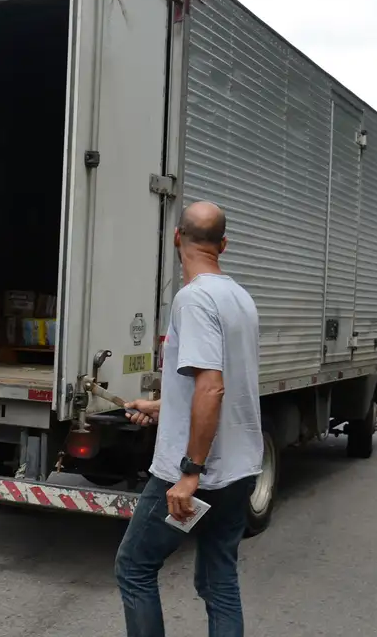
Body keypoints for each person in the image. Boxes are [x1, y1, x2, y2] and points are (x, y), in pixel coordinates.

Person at [114, 201, 263, 637]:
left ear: (177, 238)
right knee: (218, 582)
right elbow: (220, 388)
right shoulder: (240, 298)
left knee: (135, 568)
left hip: (198, 475)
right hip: (239, 470)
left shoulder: (194, 299)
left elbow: (211, 388)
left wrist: (189, 473)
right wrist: (161, 408)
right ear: (224, 244)